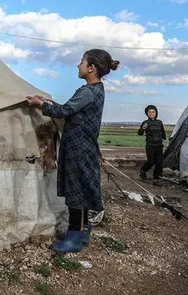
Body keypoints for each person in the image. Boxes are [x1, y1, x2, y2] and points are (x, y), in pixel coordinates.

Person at [25, 49, 119, 254]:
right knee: (82, 189)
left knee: (76, 191)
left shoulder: (88, 91)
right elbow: (71, 109)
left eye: (82, 62)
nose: (78, 65)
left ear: (91, 68)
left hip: (79, 149)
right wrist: (48, 103)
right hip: (84, 147)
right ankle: (83, 231)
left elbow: (65, 111)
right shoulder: (97, 90)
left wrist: (41, 105)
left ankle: (74, 237)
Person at [138, 105, 166, 183]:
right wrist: (143, 128)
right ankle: (143, 170)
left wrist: (166, 139)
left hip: (159, 145)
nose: (151, 113)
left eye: (153, 112)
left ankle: (156, 179)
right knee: (151, 161)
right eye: (149, 112)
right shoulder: (145, 123)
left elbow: (163, 132)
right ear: (147, 113)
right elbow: (140, 133)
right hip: (150, 145)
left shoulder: (159, 122)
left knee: (159, 162)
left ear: (156, 113)